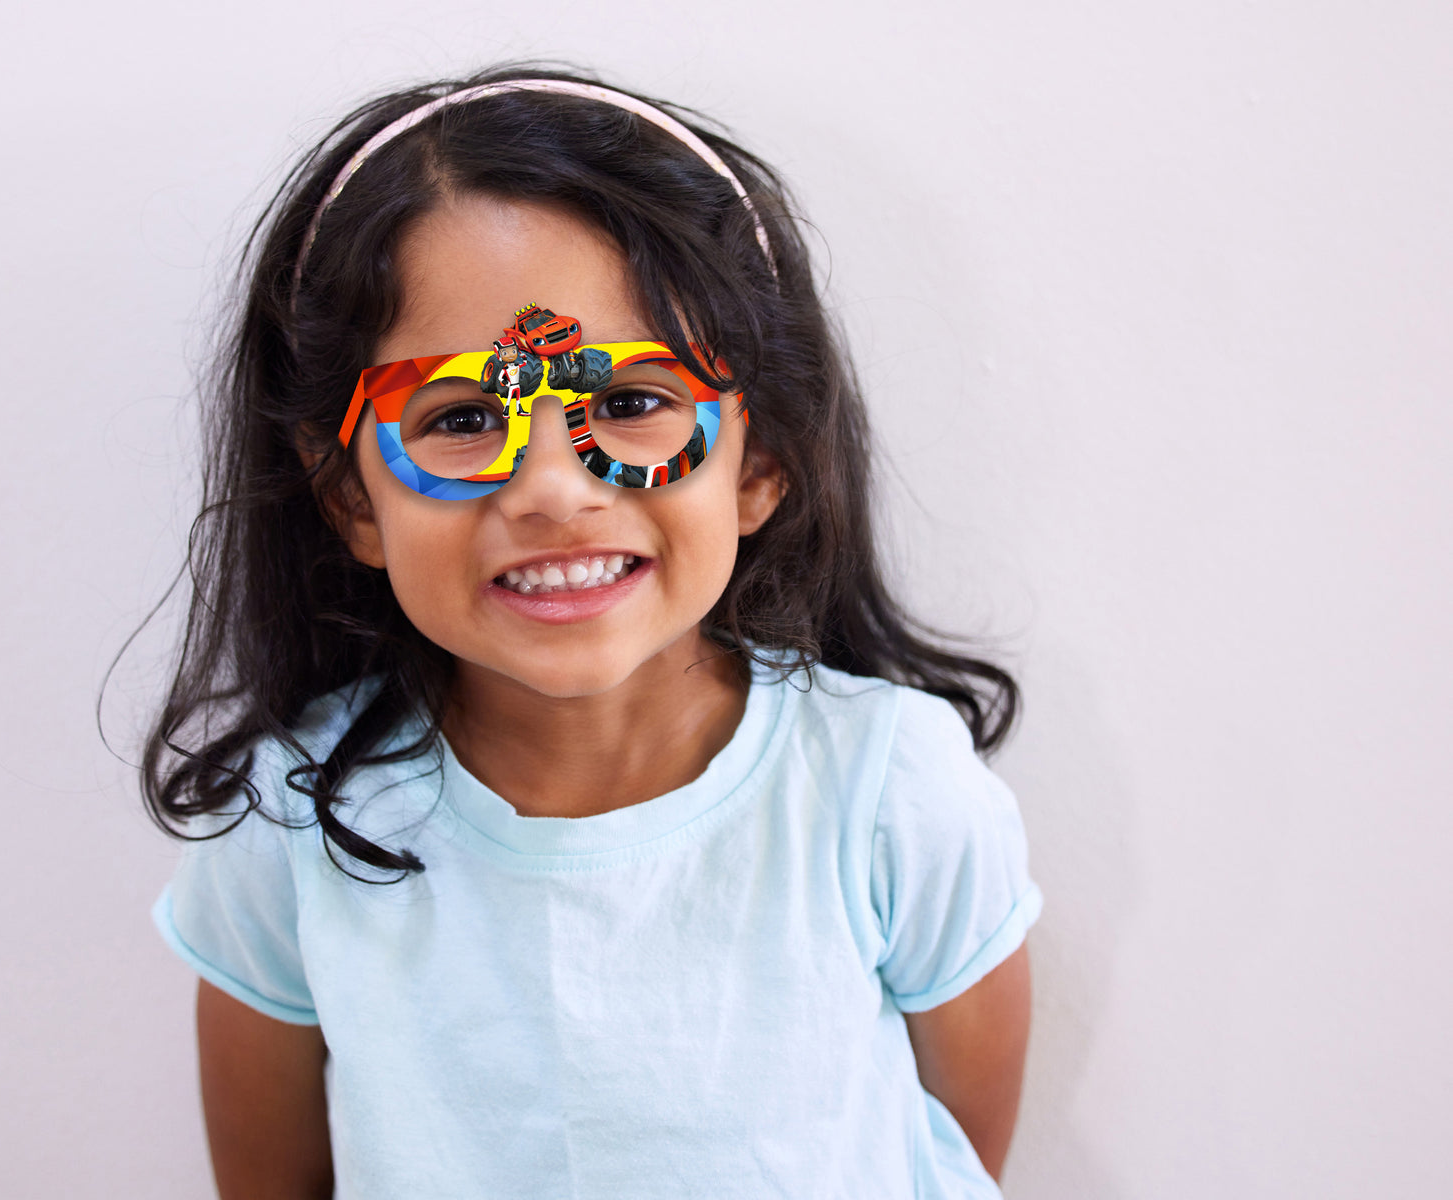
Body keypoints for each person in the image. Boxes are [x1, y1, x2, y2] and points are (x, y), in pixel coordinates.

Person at [143, 66, 1043, 1200]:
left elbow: (953, 1162)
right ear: (353, 500)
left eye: (628, 403)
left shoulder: (891, 793)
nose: (555, 490)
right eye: (463, 416)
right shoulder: (287, 825)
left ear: (759, 464)